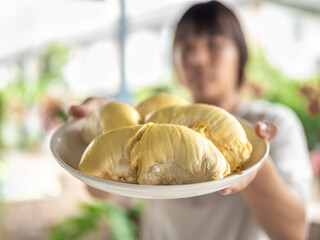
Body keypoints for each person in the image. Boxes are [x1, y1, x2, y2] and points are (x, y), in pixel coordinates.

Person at [68, 1, 312, 239]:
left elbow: (292, 233)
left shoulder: (273, 123)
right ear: (174, 61)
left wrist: (256, 158)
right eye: (186, 47)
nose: (197, 58)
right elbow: (97, 190)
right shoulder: (153, 123)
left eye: (214, 44)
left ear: (241, 54)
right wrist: (105, 124)